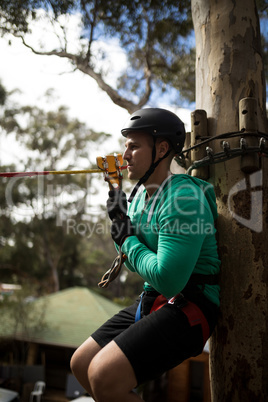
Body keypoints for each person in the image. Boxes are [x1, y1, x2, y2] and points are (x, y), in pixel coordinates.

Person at [70, 108, 220, 402]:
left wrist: (126, 239)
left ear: (162, 149)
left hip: (192, 305)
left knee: (103, 376)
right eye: (125, 145)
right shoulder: (142, 197)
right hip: (156, 300)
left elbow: (168, 279)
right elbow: (125, 247)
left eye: (134, 146)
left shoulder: (183, 198)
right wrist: (119, 214)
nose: (125, 154)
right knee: (82, 363)